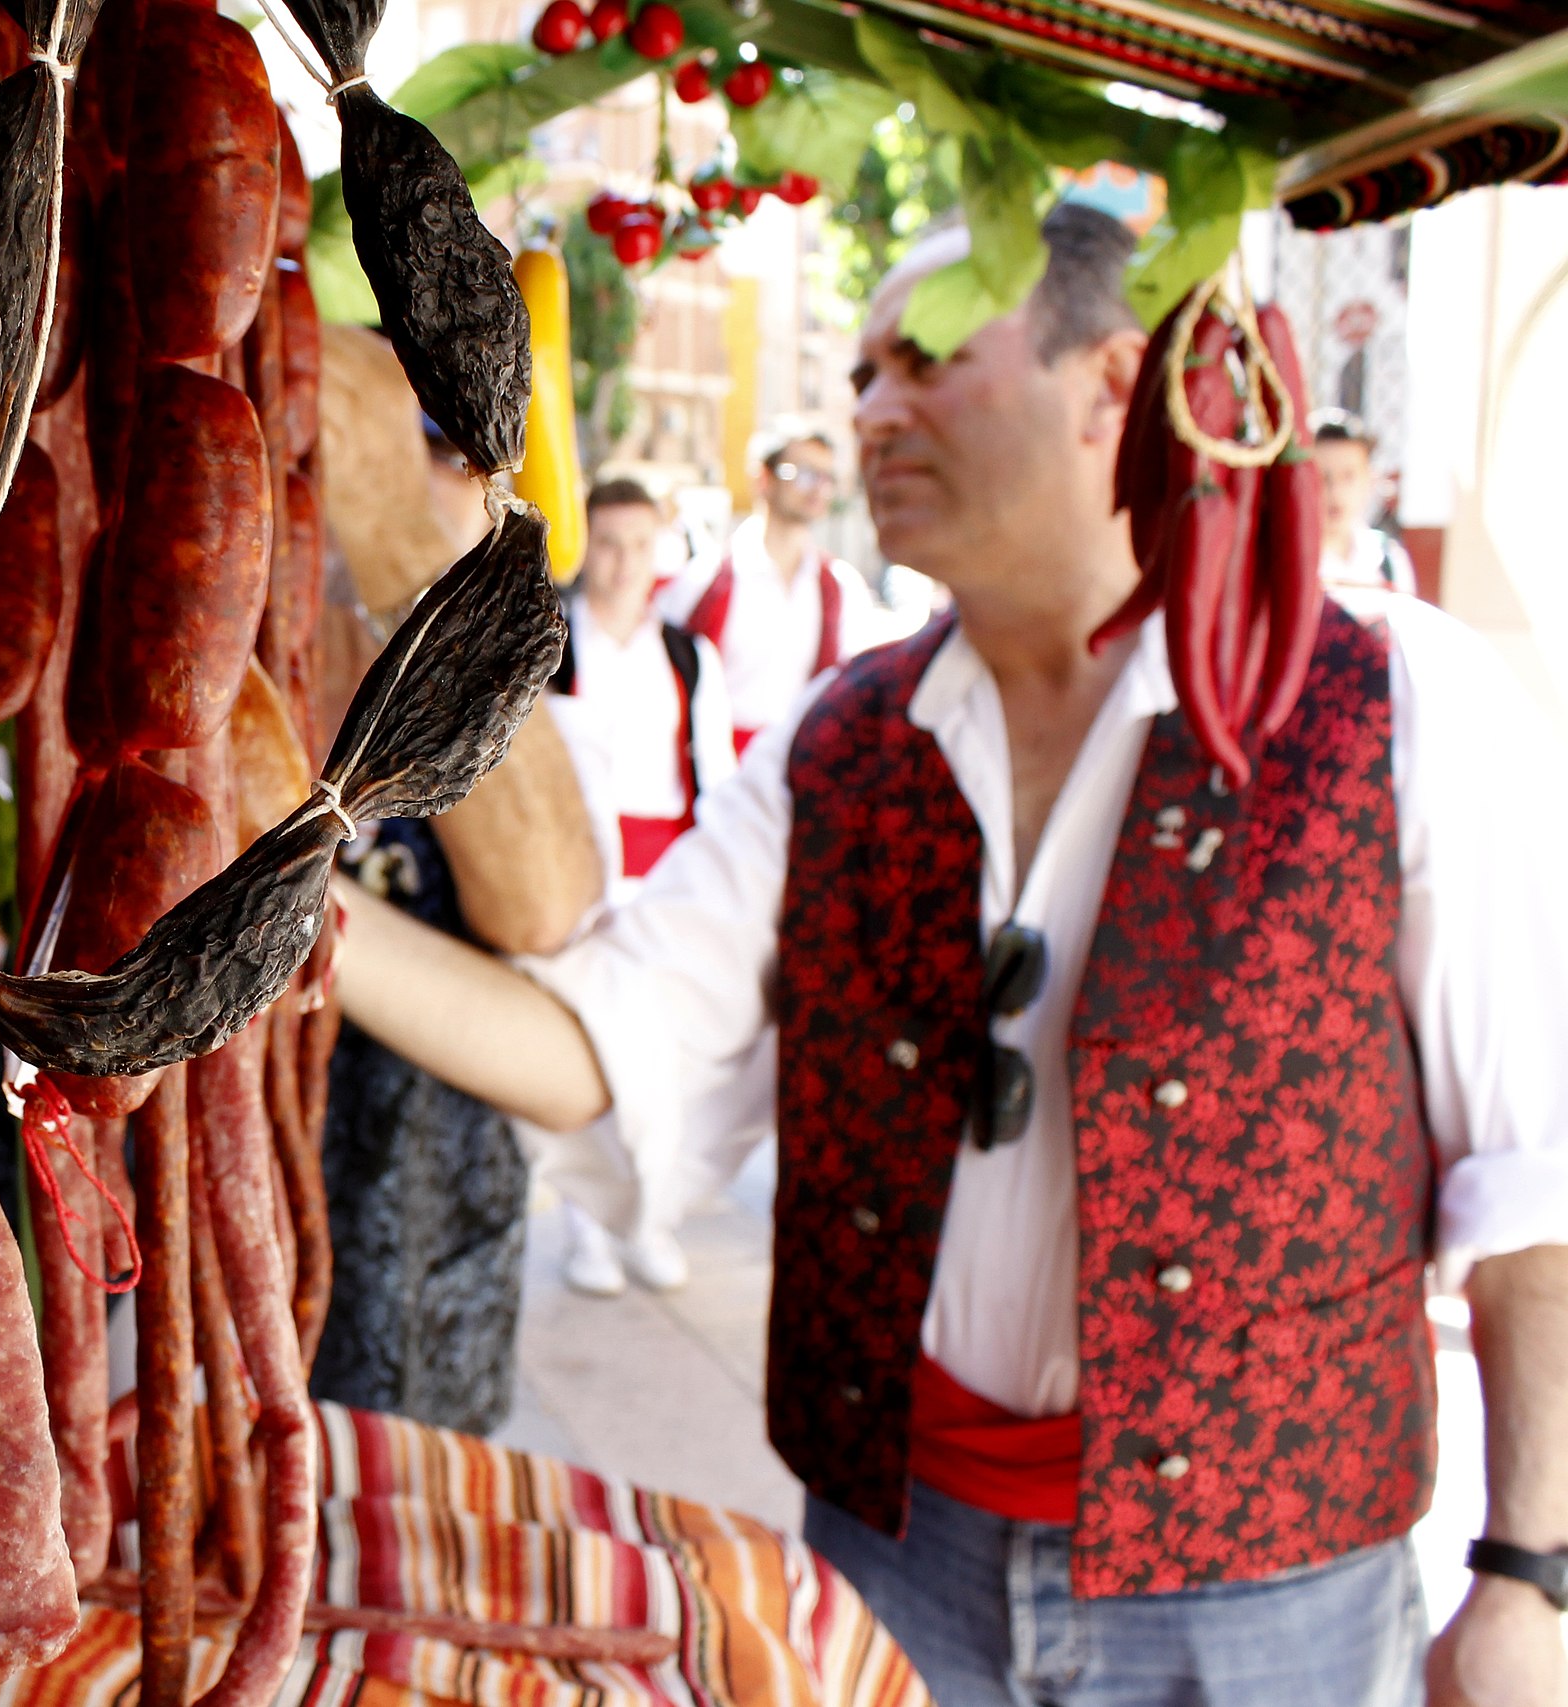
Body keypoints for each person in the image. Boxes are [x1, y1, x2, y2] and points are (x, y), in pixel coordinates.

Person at [331, 203, 1568, 1707]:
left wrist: (1528, 1572)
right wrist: (276, 925)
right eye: (856, 375)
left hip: (1270, 1582)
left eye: (921, 361)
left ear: (1117, 381)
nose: (869, 409)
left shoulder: (1390, 697)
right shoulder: (844, 737)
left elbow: (1530, 1194)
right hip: (897, 1540)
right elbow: (602, 1041)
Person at [544, 478, 735, 1296]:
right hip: (580, 862)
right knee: (586, 1053)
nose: (622, 563)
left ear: (661, 549)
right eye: (608, 543)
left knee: (664, 1054)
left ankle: (649, 1220)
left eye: (638, 544)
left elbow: (718, 779)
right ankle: (588, 1228)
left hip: (665, 868)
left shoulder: (690, 655)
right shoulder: (555, 642)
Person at [682, 425, 880, 750]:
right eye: (803, 473)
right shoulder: (704, 580)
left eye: (827, 477)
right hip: (718, 772)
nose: (818, 487)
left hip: (800, 769)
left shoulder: (842, 588)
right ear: (763, 478)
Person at [1313, 408, 1420, 599]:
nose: (1336, 491)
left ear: (1368, 479)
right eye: (1323, 477)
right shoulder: (1290, 560)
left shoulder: (1389, 561)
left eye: (1348, 476)